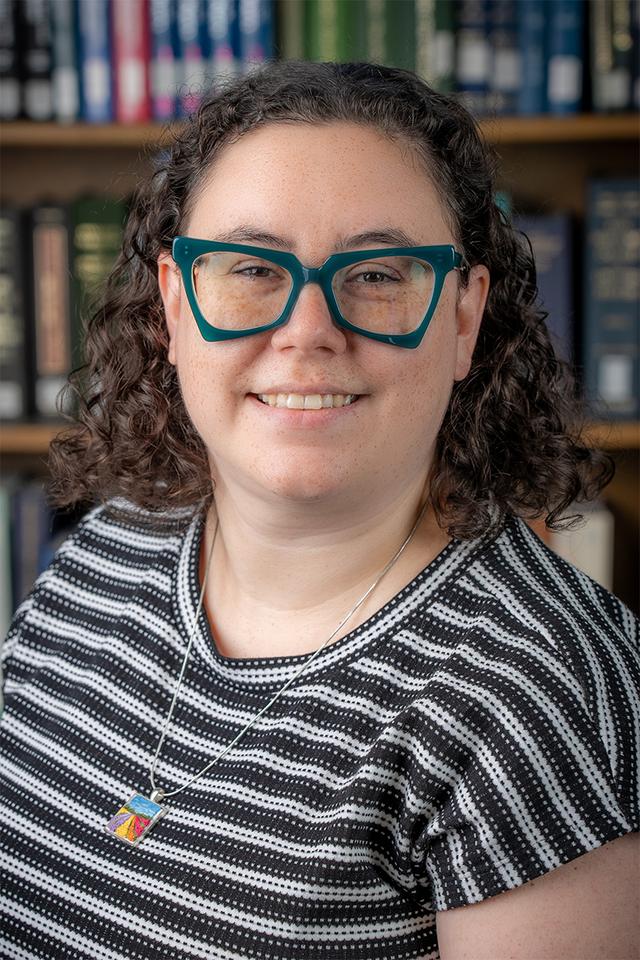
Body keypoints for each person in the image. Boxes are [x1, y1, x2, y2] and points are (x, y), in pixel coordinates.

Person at [1, 60, 638, 960]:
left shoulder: (545, 690)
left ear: (463, 319)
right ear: (175, 308)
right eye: (251, 269)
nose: (308, 331)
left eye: (376, 274)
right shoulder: (102, 549)